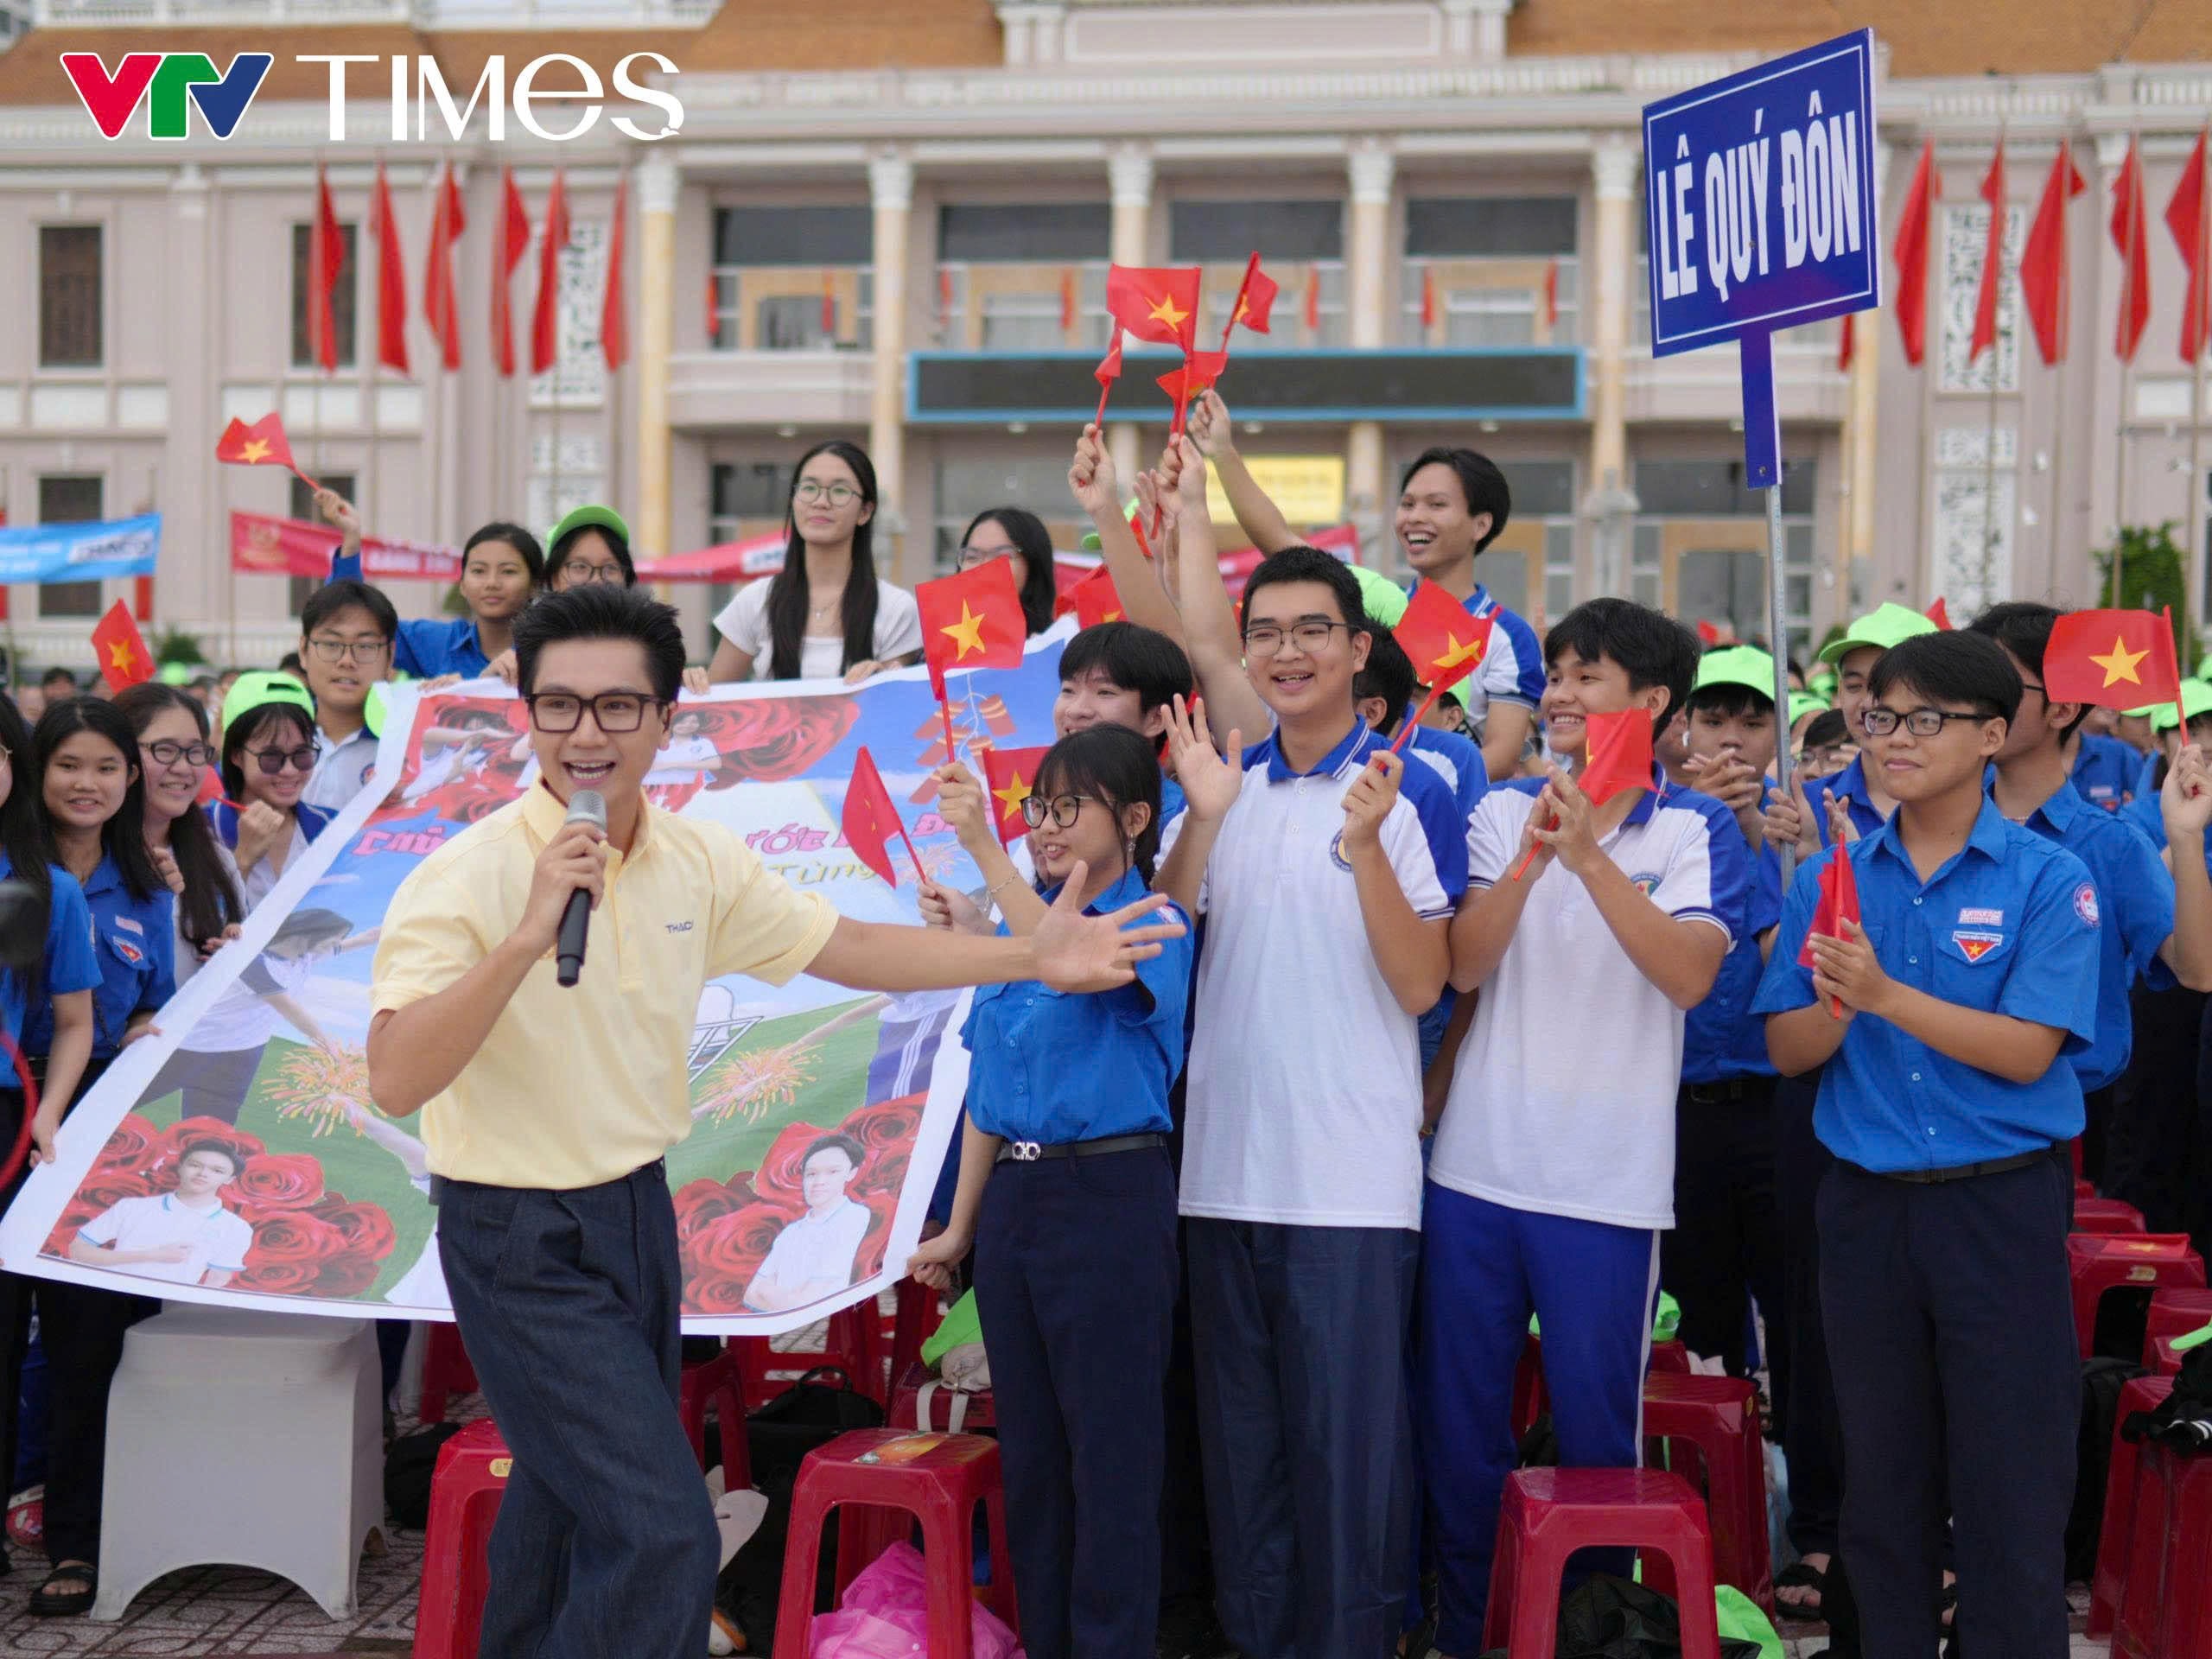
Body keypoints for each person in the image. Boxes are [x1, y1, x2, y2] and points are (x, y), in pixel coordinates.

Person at [365, 582, 1182, 1659]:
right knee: (659, 1528)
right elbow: (393, 1077)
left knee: (568, 1502)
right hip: (515, 1235)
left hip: (632, 1214)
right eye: (558, 706)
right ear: (527, 715)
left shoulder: (697, 862)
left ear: (664, 720)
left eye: (618, 707)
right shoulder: (466, 878)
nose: (586, 733)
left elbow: (856, 949)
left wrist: (1030, 954)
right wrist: (522, 939)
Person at [1147, 472, 1465, 1655]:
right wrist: (1209, 820)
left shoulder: (1405, 785)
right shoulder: (1223, 791)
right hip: (1223, 1179)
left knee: (1348, 1468)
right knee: (1247, 1468)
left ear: (1357, 649)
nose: (1287, 653)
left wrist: (1370, 844)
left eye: (1311, 633)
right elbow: (1165, 945)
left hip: (1349, 1189)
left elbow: (1425, 984)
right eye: (1266, 633)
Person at [1756, 630, 2103, 1658]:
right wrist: (1834, 1004)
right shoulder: (1831, 875)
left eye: (1923, 720)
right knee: (1882, 1480)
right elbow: (1785, 1048)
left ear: (1993, 734)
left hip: (1996, 1208)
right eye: (1878, 717)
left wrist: (1884, 995)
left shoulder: (2048, 878)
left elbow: (2028, 1052)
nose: (1892, 738)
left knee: (2007, 1486)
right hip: (1864, 1206)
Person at [1420, 600, 1741, 1656]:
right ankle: (1471, 1629)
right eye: (1553, 672)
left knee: (1599, 1442)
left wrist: (1592, 856)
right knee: (1462, 1436)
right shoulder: (1497, 813)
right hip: (1473, 1174)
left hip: (1603, 1191)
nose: (1557, 693)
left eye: (1585, 676)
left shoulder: (1694, 828)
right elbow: (1463, 965)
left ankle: (1591, 1631)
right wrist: (1532, 853)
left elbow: (1689, 975)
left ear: (1651, 703)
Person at [908, 723, 1192, 1659]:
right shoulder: (1007, 933)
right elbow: (990, 1094)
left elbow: (1065, 955)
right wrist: (959, 1228)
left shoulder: (1153, 921)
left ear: (1137, 816)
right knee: (1029, 1454)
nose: (1047, 825)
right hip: (1021, 1207)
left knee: (1110, 1454)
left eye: (1069, 806)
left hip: (1108, 1194)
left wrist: (985, 848)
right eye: (1038, 807)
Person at [20, 696, 175, 1618]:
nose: (88, 784)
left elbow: (152, 1000)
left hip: (104, 1120)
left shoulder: (148, 891)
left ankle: (76, 1542)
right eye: (68, 765)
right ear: (37, 772)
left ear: (130, 779)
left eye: (107, 768)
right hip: (15, 1103)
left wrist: (152, 1032)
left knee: (87, 1344)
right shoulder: (14, 871)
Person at [1969, 602, 2212, 1183]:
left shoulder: (2110, 843)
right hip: (1935, 1118)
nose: (1969, 705)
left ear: (2063, 707)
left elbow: (2197, 969)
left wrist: (2183, 836)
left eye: (1994, 686)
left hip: (2056, 1128)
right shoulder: (1929, 825)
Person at [1189, 394, 1541, 784]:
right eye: (1407, 504)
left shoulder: (1507, 635)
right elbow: (1278, 539)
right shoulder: (1374, 600)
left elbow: (1501, 754)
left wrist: (1412, 787)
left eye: (1437, 505)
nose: (1415, 518)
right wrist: (1222, 452)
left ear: (1480, 525)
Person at [1661, 645, 1787, 1380]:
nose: (1731, 739)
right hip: (1675, 1105)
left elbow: (1799, 956)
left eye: (1752, 720)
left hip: (1778, 1100)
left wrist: (1752, 835)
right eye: (1712, 719)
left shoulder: (1799, 825)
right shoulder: (1657, 822)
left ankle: (1799, 1479)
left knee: (1796, 1307)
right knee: (1698, 1324)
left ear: (1781, 732)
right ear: (1682, 728)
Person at [0, 692, 99, 1582]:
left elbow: (74, 1020)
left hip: (7, 1129)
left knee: (5, 1335)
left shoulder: (49, 890)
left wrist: (48, 1112)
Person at [708, 442, 922, 686]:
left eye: (840, 491)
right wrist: (694, 682)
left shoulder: (896, 609)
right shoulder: (756, 600)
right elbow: (714, 702)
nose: (821, 502)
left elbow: (900, 708)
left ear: (865, 511)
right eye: (809, 488)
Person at [1766, 602, 1936, 856]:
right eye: (1854, 686)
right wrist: (1813, 863)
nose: (1868, 704)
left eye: (1884, 685)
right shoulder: (1804, 809)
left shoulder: (1973, 804)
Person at [113, 683, 245, 988]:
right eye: (166, 750)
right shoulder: (85, 862)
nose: (184, 768)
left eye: (195, 752)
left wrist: (236, 961)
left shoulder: (218, 861)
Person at [211, 672, 336, 912]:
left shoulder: (331, 826)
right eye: (271, 757)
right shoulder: (203, 830)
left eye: (302, 755)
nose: (289, 771)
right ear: (236, 755)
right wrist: (242, 861)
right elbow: (189, 932)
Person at [68, 1142, 252, 1289]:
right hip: (110, 1292)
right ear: (180, 1167)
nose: (203, 1174)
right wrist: (151, 1255)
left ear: (229, 1179)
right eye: (195, 1165)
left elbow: (217, 1279)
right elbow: (78, 1250)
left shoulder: (237, 1228)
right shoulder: (131, 1207)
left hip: (171, 1308)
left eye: (217, 1171)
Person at [296, 577, 399, 814]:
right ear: (303, 651)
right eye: (332, 644)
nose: (346, 661)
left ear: (390, 656)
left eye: (365, 647)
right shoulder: (275, 739)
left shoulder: (406, 745)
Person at [394, 521, 544, 681]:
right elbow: (371, 628)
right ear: (463, 585)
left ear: (534, 585)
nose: (491, 583)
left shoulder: (548, 651)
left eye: (508, 571)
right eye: (479, 571)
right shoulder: (440, 642)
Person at [740, 1133, 874, 1313]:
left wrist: (771, 1292)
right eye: (811, 1174)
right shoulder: (791, 1232)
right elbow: (752, 1294)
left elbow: (810, 1301)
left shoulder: (856, 1217)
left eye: (832, 1172)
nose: (819, 1182)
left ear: (851, 1173)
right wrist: (788, 1298)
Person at [956, 505, 1060, 637]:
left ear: (1034, 566)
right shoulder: (931, 651)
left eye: (1002, 556)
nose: (984, 567)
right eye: (972, 556)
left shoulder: (1058, 648)